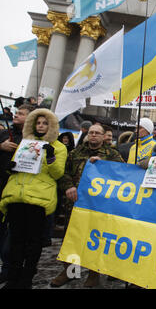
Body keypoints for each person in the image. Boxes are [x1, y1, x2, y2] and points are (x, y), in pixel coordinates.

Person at [0, 108, 67, 289]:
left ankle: (26, 278)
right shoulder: (25, 143)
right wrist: (10, 166)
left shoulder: (59, 147)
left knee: (33, 242)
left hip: (39, 199)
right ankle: (13, 277)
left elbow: (57, 173)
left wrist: (51, 156)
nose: (41, 126)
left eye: (45, 123)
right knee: (15, 240)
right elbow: (12, 167)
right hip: (16, 196)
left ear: (51, 125)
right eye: (38, 123)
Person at [50, 124, 124, 288]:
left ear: (104, 136)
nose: (94, 135)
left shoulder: (112, 155)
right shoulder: (75, 153)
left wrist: (103, 164)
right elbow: (63, 173)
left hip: (99, 207)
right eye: (91, 132)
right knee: (72, 238)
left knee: (95, 240)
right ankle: (71, 272)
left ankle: (93, 274)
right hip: (75, 204)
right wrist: (68, 186)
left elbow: (122, 175)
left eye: (97, 133)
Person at [0, 104, 34, 284]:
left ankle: (7, 270)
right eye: (16, 112)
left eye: (21, 114)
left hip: (14, 191)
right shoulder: (5, 134)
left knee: (11, 237)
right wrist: (1, 146)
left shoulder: (32, 139)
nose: (16, 115)